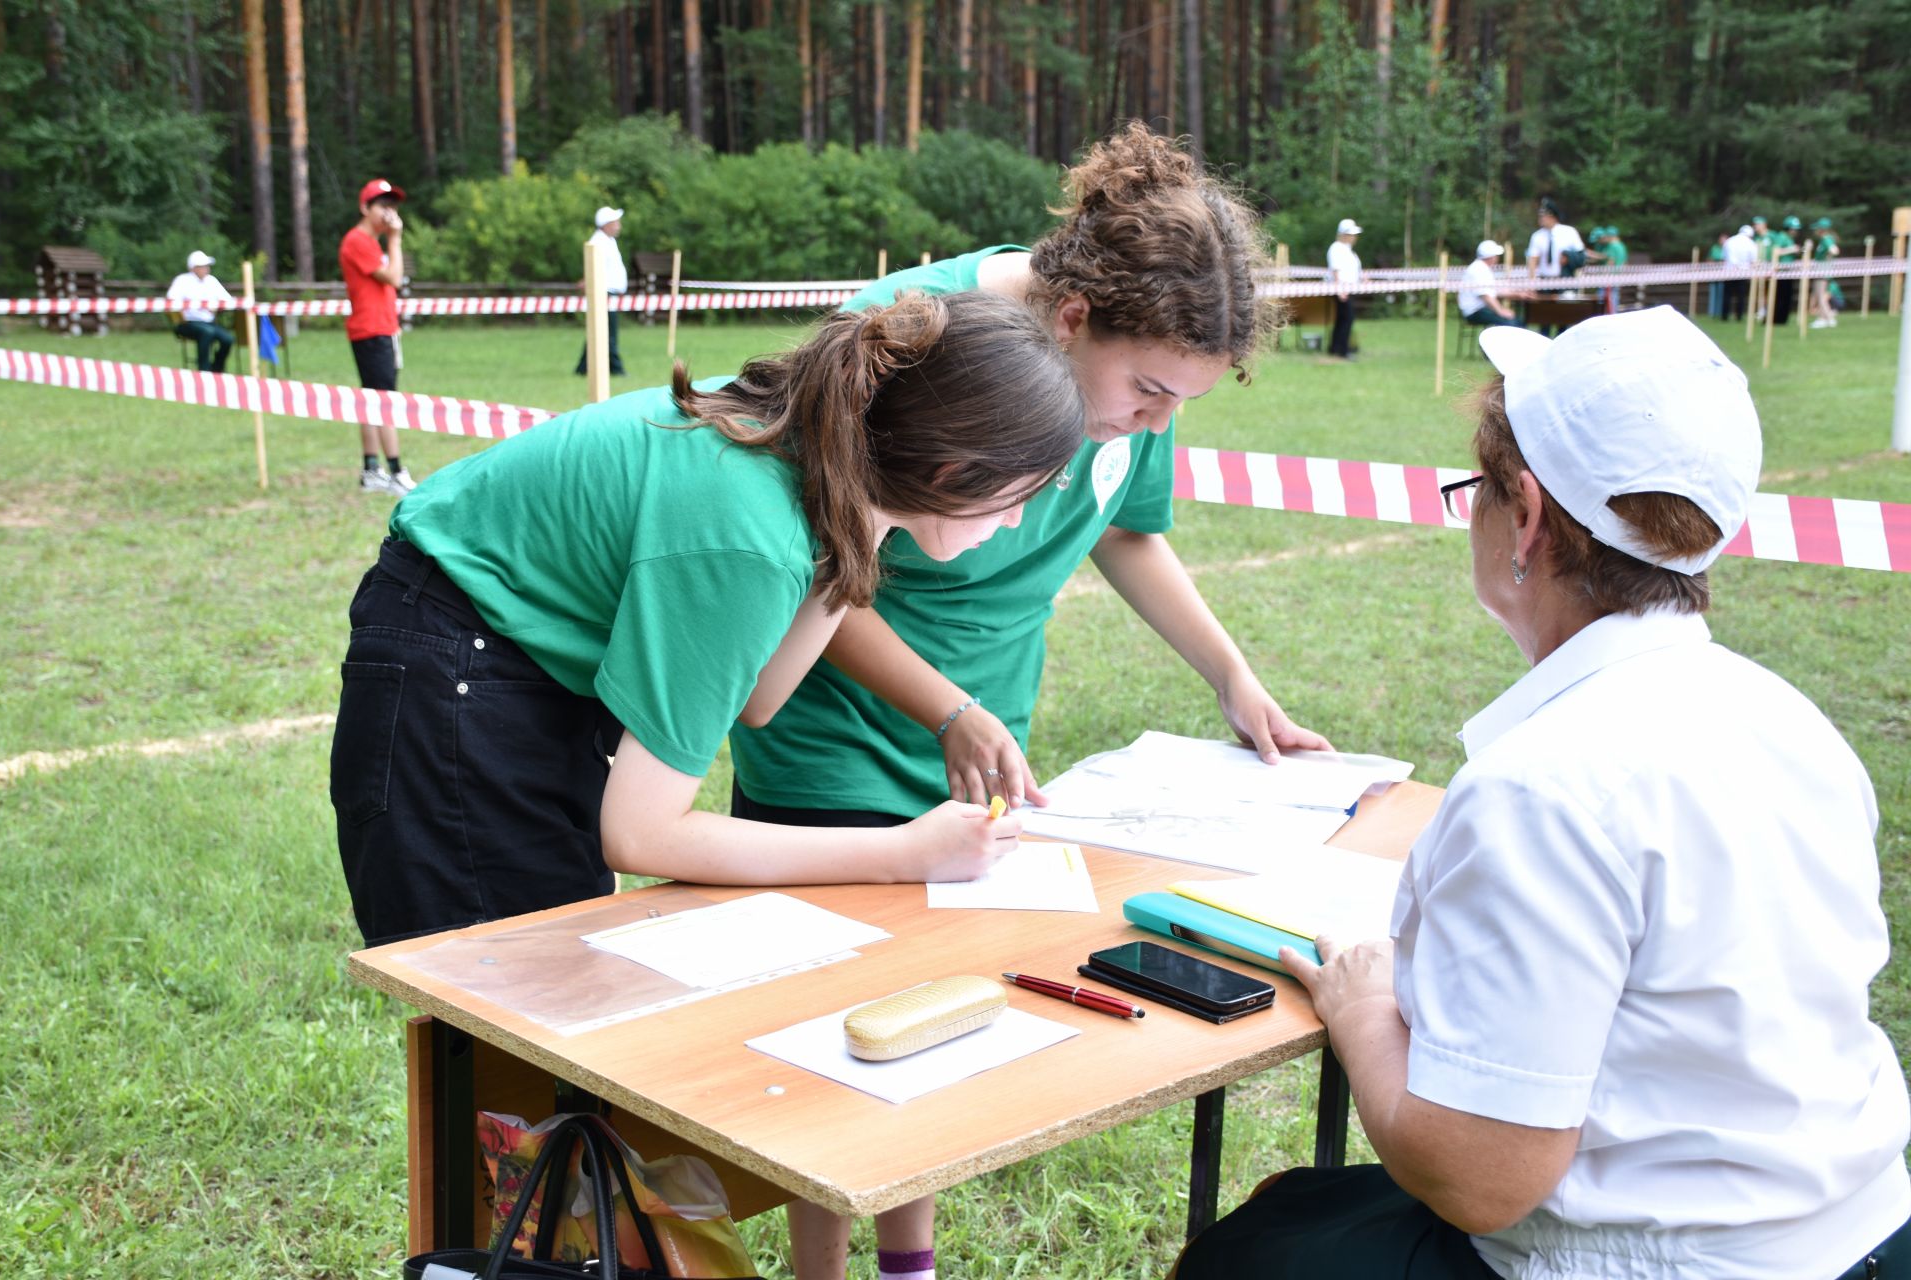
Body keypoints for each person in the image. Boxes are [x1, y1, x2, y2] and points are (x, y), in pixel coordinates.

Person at [1173, 306, 1911, 1280]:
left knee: (1243, 1257)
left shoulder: (1543, 785)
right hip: (1852, 1227)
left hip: (1662, 1260)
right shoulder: (1789, 720)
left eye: (1474, 490)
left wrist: (1363, 1006)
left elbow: (1480, 1179)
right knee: (1295, 1209)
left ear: (1523, 515)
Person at [727, 122, 1331, 1280]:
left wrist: (1235, 676)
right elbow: (815, 569)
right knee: (837, 1044)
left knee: (932, 1019)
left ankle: (909, 1262)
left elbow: (1132, 533)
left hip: (981, 743)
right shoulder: (915, 335)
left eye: (1179, 403)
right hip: (842, 743)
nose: (1154, 419)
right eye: (1147, 391)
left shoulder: (1135, 394)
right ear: (1069, 323)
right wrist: (944, 705)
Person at [331, 289, 1084, 950]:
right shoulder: (752, 529)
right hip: (453, 658)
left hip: (505, 661)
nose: (1017, 520)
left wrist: (872, 531)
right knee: (519, 998)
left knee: (563, 989)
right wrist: (903, 854)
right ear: (952, 470)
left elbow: (759, 698)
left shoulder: (826, 468)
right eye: (1021, 492)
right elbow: (642, 834)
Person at [340, 177, 416, 495]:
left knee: (371, 400)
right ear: (364, 208)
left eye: (392, 206)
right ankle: (396, 472)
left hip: (378, 329)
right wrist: (396, 239)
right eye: (382, 206)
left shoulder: (370, 243)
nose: (388, 213)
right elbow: (395, 278)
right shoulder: (358, 241)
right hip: (373, 331)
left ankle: (372, 469)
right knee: (385, 401)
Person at [574, 205, 628, 377]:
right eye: (615, 222)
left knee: (599, 331)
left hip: (610, 294)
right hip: (603, 293)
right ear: (605, 224)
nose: (618, 225)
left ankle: (582, 368)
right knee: (608, 332)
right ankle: (617, 369)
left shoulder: (608, 241)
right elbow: (594, 268)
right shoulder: (597, 242)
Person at [166, 250, 235, 372]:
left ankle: (216, 369)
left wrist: (218, 307)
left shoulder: (211, 281)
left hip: (209, 323)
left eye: (207, 266)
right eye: (203, 266)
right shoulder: (182, 281)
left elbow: (227, 300)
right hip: (187, 323)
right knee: (206, 332)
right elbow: (171, 300)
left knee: (228, 339)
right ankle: (204, 369)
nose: (207, 269)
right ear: (194, 268)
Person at [1524, 199, 1585, 335]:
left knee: (1563, 317)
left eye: (1543, 216)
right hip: (1546, 281)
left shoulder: (1569, 232)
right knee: (1545, 318)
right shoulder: (1537, 236)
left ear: (1552, 217)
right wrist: (1531, 283)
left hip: (1564, 280)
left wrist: (1568, 257)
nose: (1540, 219)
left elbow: (1581, 255)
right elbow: (1532, 260)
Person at [1457, 240, 1522, 328]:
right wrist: (1501, 311)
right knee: (1511, 323)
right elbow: (1485, 296)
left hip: (1478, 309)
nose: (1497, 258)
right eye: (1495, 255)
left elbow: (1493, 291)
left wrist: (1517, 294)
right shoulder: (1479, 270)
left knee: (1514, 321)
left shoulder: (1481, 268)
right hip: (1475, 311)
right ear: (1491, 257)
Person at [1327, 217, 1363, 360]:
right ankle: (1342, 350)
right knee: (1347, 318)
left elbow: (1354, 269)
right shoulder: (1336, 248)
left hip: (1349, 289)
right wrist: (1340, 290)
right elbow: (1336, 270)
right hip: (1342, 290)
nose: (1354, 237)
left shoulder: (1348, 250)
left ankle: (1336, 347)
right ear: (1344, 235)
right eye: (1352, 234)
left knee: (1343, 318)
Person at [1767, 215, 1801, 328]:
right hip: (1781, 271)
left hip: (1788, 271)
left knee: (1786, 297)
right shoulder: (1781, 236)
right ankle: (1775, 319)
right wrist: (1792, 249)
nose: (1795, 231)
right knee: (1779, 297)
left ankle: (1782, 320)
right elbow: (1776, 251)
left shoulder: (1789, 238)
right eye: (1794, 229)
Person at [1722, 223, 1758, 321]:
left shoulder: (1729, 241)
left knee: (1727, 294)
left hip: (1729, 271)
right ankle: (1739, 316)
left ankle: (1724, 315)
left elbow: (1724, 257)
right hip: (1743, 272)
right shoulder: (1751, 244)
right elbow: (1753, 260)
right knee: (1741, 295)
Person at [1811, 216, 1842, 328]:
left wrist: (1827, 259)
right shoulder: (1824, 239)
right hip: (1821, 270)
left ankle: (1828, 318)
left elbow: (1834, 250)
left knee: (1820, 296)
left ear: (1821, 229)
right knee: (1819, 295)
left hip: (1823, 271)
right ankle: (1823, 318)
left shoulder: (1826, 239)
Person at [1706, 231, 1728, 319]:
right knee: (1713, 293)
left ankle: (1719, 312)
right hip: (1714, 273)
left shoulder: (1728, 249)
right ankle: (1712, 313)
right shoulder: (1714, 248)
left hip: (1724, 274)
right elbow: (1709, 259)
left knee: (1721, 293)